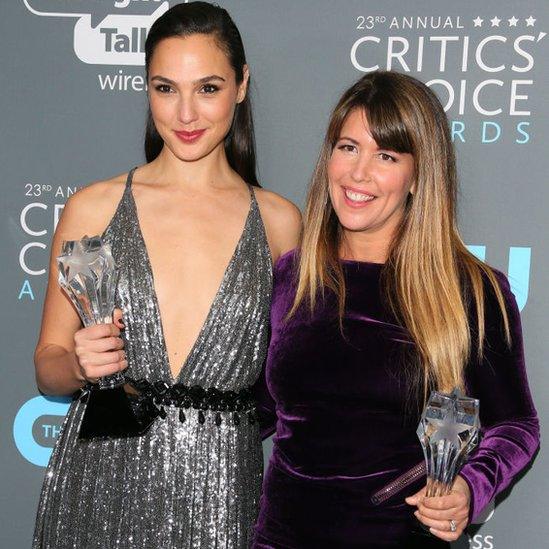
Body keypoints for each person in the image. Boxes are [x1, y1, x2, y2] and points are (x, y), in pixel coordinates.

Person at [32, 2, 300, 548]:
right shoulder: (93, 207)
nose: (185, 114)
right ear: (146, 88)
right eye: (165, 88)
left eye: (207, 88)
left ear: (241, 85)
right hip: (101, 478)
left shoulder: (278, 222)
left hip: (222, 489)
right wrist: (81, 364)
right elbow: (48, 366)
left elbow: (298, 382)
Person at [252, 71, 539, 548]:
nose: (358, 173)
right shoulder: (294, 275)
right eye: (348, 147)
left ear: (418, 175)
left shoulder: (470, 291)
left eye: (385, 155)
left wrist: (471, 487)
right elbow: (259, 409)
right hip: (281, 538)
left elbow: (515, 425)